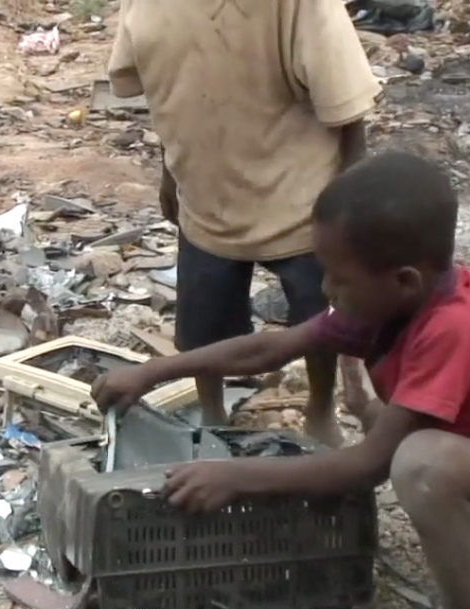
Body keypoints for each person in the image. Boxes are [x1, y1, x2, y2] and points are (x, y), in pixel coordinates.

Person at [91, 153, 470, 609]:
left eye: (339, 277)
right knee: (423, 453)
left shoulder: (455, 328)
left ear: (404, 281)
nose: (327, 289)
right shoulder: (394, 301)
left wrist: (237, 477)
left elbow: (366, 466)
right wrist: (153, 371)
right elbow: (270, 347)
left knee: (423, 462)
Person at [109, 0, 382, 442]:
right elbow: (166, 89)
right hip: (206, 189)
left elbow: (349, 109)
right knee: (203, 320)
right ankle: (212, 412)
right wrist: (169, 170)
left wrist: (348, 202)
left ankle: (319, 409)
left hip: (300, 198)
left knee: (320, 319)